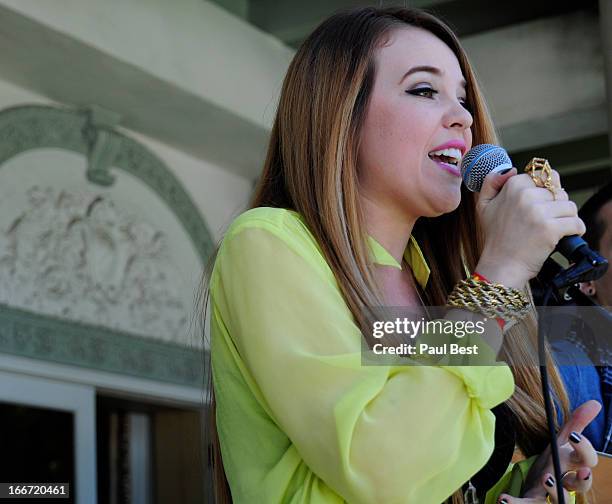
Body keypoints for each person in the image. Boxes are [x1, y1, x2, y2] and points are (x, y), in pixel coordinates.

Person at [201, 7, 600, 504]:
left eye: (462, 97)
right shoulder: (267, 241)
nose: (463, 116)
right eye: (424, 90)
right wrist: (500, 274)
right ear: (340, 116)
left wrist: (534, 483)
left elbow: (437, 475)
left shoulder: (438, 283)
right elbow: (379, 470)